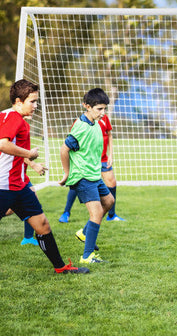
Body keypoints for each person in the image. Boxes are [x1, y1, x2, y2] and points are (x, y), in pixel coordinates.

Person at [0, 79, 89, 274]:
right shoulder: (13, 118)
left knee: (42, 224)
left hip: (19, 186)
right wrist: (30, 154)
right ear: (17, 101)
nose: (35, 105)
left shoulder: (10, 117)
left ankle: (60, 267)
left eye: (36, 101)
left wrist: (30, 162)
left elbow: (12, 151)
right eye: (32, 101)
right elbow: (3, 144)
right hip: (3, 186)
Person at [59, 88, 115, 264]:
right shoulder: (81, 127)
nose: (103, 113)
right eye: (99, 109)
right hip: (83, 177)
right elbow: (64, 149)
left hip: (94, 175)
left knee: (109, 202)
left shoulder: (97, 123)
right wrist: (67, 173)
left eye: (104, 108)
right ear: (87, 106)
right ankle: (87, 256)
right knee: (96, 212)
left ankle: (84, 233)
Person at [58, 113, 125, 223]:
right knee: (78, 182)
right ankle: (66, 212)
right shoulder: (81, 123)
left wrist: (111, 155)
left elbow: (109, 135)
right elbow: (71, 143)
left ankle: (111, 215)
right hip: (87, 161)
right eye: (99, 107)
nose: (102, 111)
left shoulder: (104, 118)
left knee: (111, 183)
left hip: (102, 158)